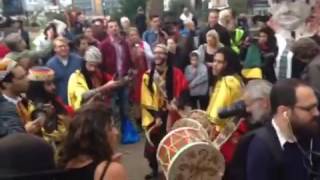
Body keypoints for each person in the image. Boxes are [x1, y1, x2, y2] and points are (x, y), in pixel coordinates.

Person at [246, 79, 320, 180]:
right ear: (284, 112)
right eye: (309, 109)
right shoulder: (263, 148)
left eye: (316, 106)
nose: (316, 113)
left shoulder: (311, 131)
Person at [141, 44, 188, 179]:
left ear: (167, 56)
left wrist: (177, 102)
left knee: (174, 146)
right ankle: (155, 171)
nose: (157, 55)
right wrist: (156, 116)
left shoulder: (176, 73)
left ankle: (173, 172)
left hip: (173, 113)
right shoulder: (148, 76)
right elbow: (146, 98)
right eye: (155, 53)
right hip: (156, 115)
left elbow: (185, 90)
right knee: (152, 148)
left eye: (161, 53)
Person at [26, 66, 72, 157]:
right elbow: (51, 135)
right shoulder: (36, 108)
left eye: (53, 83)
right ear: (38, 87)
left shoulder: (52, 100)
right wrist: (50, 116)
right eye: (48, 84)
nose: (53, 87)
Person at [269, 0, 316, 80]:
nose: (285, 9)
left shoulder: (315, 39)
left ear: (311, 3)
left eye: (293, 1)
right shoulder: (270, 37)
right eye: (277, 2)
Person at [68, 46, 121, 110]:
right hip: (82, 114)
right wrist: (104, 87)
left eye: (95, 66)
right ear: (85, 62)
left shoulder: (98, 73)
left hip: (97, 111)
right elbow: (83, 96)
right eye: (90, 65)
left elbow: (112, 81)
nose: (93, 69)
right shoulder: (76, 77)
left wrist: (124, 80)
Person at [99, 19, 132, 121]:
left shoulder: (124, 43)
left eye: (116, 26)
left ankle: (125, 130)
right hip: (111, 80)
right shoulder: (103, 45)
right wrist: (106, 79)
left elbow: (128, 60)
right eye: (111, 27)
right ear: (107, 30)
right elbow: (101, 65)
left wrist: (129, 73)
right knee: (112, 108)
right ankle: (113, 128)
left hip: (123, 79)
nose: (114, 29)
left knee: (125, 106)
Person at [207, 47, 243, 123]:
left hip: (221, 131)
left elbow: (215, 117)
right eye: (214, 61)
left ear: (229, 64)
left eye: (219, 62)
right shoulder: (234, 78)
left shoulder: (229, 81)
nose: (214, 64)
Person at [0, 59, 36, 135]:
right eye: (21, 77)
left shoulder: (24, 101)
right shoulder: (2, 110)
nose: (28, 79)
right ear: (5, 84)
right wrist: (25, 132)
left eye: (26, 75)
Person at [46, 37, 82, 104]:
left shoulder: (78, 60)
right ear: (55, 49)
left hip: (78, 100)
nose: (63, 48)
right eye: (60, 46)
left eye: (65, 46)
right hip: (61, 102)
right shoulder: (50, 64)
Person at [127, 27, 154, 105]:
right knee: (137, 97)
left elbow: (152, 57)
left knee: (147, 93)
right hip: (134, 75)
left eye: (135, 34)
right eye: (131, 35)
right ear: (129, 37)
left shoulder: (144, 44)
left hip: (146, 73)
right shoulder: (127, 47)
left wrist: (144, 52)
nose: (134, 36)